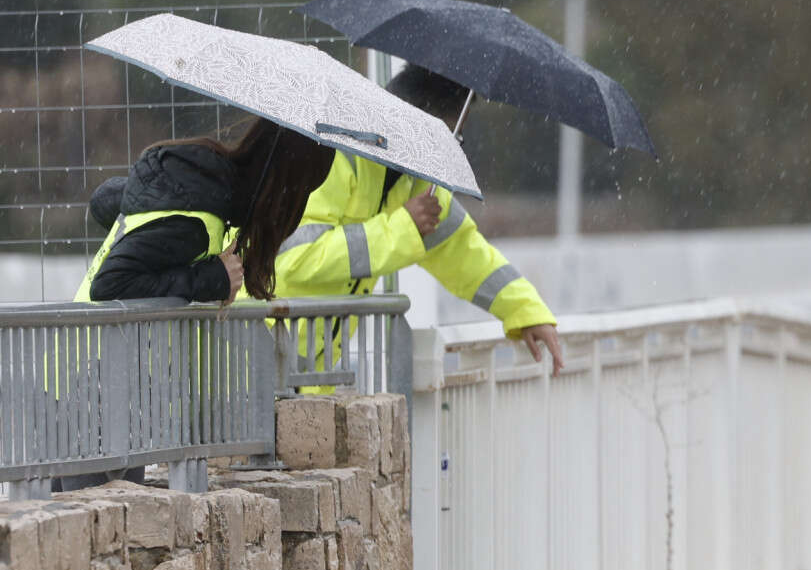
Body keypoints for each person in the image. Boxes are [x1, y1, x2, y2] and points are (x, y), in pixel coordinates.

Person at [59, 117, 332, 490]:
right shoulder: (196, 213)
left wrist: (213, 276)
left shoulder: (201, 193)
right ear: (282, 187)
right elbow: (113, 283)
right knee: (90, 536)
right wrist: (212, 278)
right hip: (96, 390)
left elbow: (119, 213)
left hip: (100, 385)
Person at [271, 65, 564, 372]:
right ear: (416, 122)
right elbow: (295, 258)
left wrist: (528, 312)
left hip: (303, 372)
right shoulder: (331, 156)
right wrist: (404, 228)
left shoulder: (417, 184)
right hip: (252, 361)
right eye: (452, 134)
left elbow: (466, 254)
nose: (453, 145)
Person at [76, 117, 332, 303]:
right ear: (286, 191)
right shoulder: (194, 219)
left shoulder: (199, 186)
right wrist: (213, 279)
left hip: (97, 361)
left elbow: (106, 201)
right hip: (97, 366)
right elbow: (109, 286)